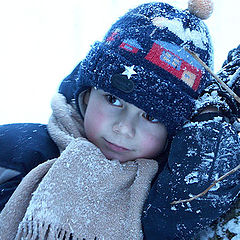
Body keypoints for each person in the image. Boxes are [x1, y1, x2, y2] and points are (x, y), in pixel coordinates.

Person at [0, 0, 239, 239]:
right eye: (113, 100)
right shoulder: (16, 153)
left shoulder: (160, 196)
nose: (124, 128)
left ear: (172, 134)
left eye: (151, 116)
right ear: (86, 95)